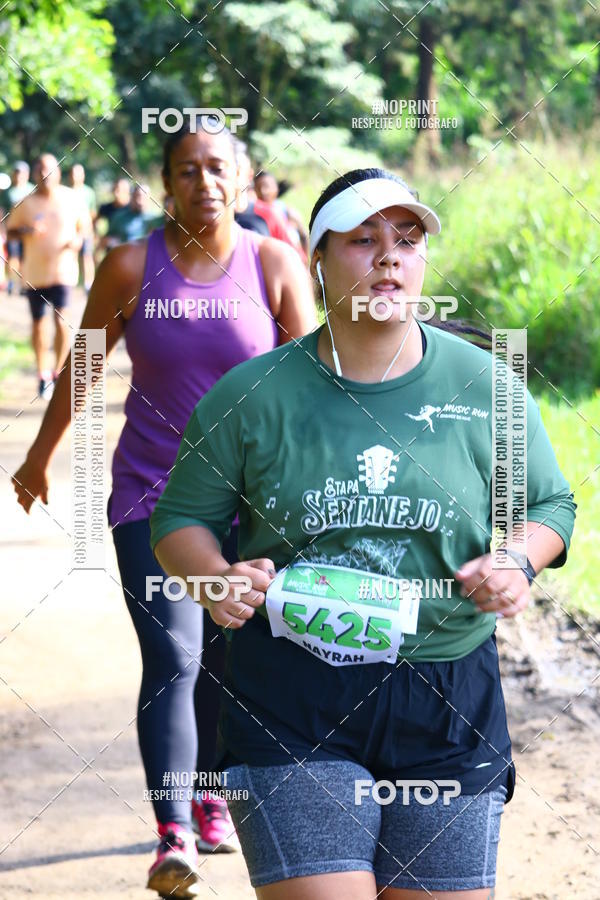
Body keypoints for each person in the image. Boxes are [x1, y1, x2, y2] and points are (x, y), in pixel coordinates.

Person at [150, 167, 577, 900]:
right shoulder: (252, 396)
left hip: (445, 692)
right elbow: (179, 520)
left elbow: (550, 504)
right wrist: (215, 578)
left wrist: (517, 558)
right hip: (291, 691)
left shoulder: (485, 386)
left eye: (407, 240)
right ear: (316, 258)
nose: (389, 256)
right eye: (363, 240)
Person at [12, 121, 316, 899]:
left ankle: (211, 791)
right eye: (187, 170)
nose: (204, 183)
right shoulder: (127, 268)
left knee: (227, 659)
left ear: (241, 179)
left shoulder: (276, 265)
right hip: (151, 497)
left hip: (252, 510)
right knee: (172, 659)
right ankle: (171, 832)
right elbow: (83, 369)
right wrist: (40, 458)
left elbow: (318, 394)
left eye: (218, 168)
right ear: (166, 182)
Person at [6, 153, 91, 397]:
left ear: (58, 173)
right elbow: (10, 232)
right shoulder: (25, 202)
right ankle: (43, 373)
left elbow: (84, 229)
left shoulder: (71, 198)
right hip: (34, 274)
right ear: (34, 175)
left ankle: (59, 370)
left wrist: (77, 240)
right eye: (40, 171)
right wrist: (27, 230)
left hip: (63, 271)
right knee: (38, 324)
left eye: (49, 170)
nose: (45, 175)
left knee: (62, 321)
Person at [254, 170, 308, 258]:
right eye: (258, 188)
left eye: (266, 186)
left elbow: (304, 235)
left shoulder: (287, 212)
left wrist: (305, 263)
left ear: (276, 188)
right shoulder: (253, 215)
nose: (263, 191)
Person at [0, 160, 35, 294]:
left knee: (25, 257)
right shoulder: (9, 193)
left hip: (28, 230)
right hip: (12, 229)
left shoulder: (32, 189)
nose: (18, 175)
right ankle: (11, 282)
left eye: (21, 173)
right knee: (13, 256)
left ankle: (24, 284)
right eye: (16, 173)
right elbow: (2, 211)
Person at [68, 163, 97, 292]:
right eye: (74, 173)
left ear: (83, 175)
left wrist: (91, 230)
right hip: (70, 231)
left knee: (87, 256)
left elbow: (93, 214)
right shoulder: (66, 191)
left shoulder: (89, 192)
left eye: (78, 173)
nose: (76, 176)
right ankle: (71, 282)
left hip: (86, 231)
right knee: (71, 257)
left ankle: (88, 284)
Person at [95, 176, 131, 250]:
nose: (116, 193)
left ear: (127, 191)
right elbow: (94, 222)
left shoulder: (133, 209)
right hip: (111, 248)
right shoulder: (106, 207)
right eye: (114, 189)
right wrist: (99, 238)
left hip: (129, 247)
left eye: (119, 190)